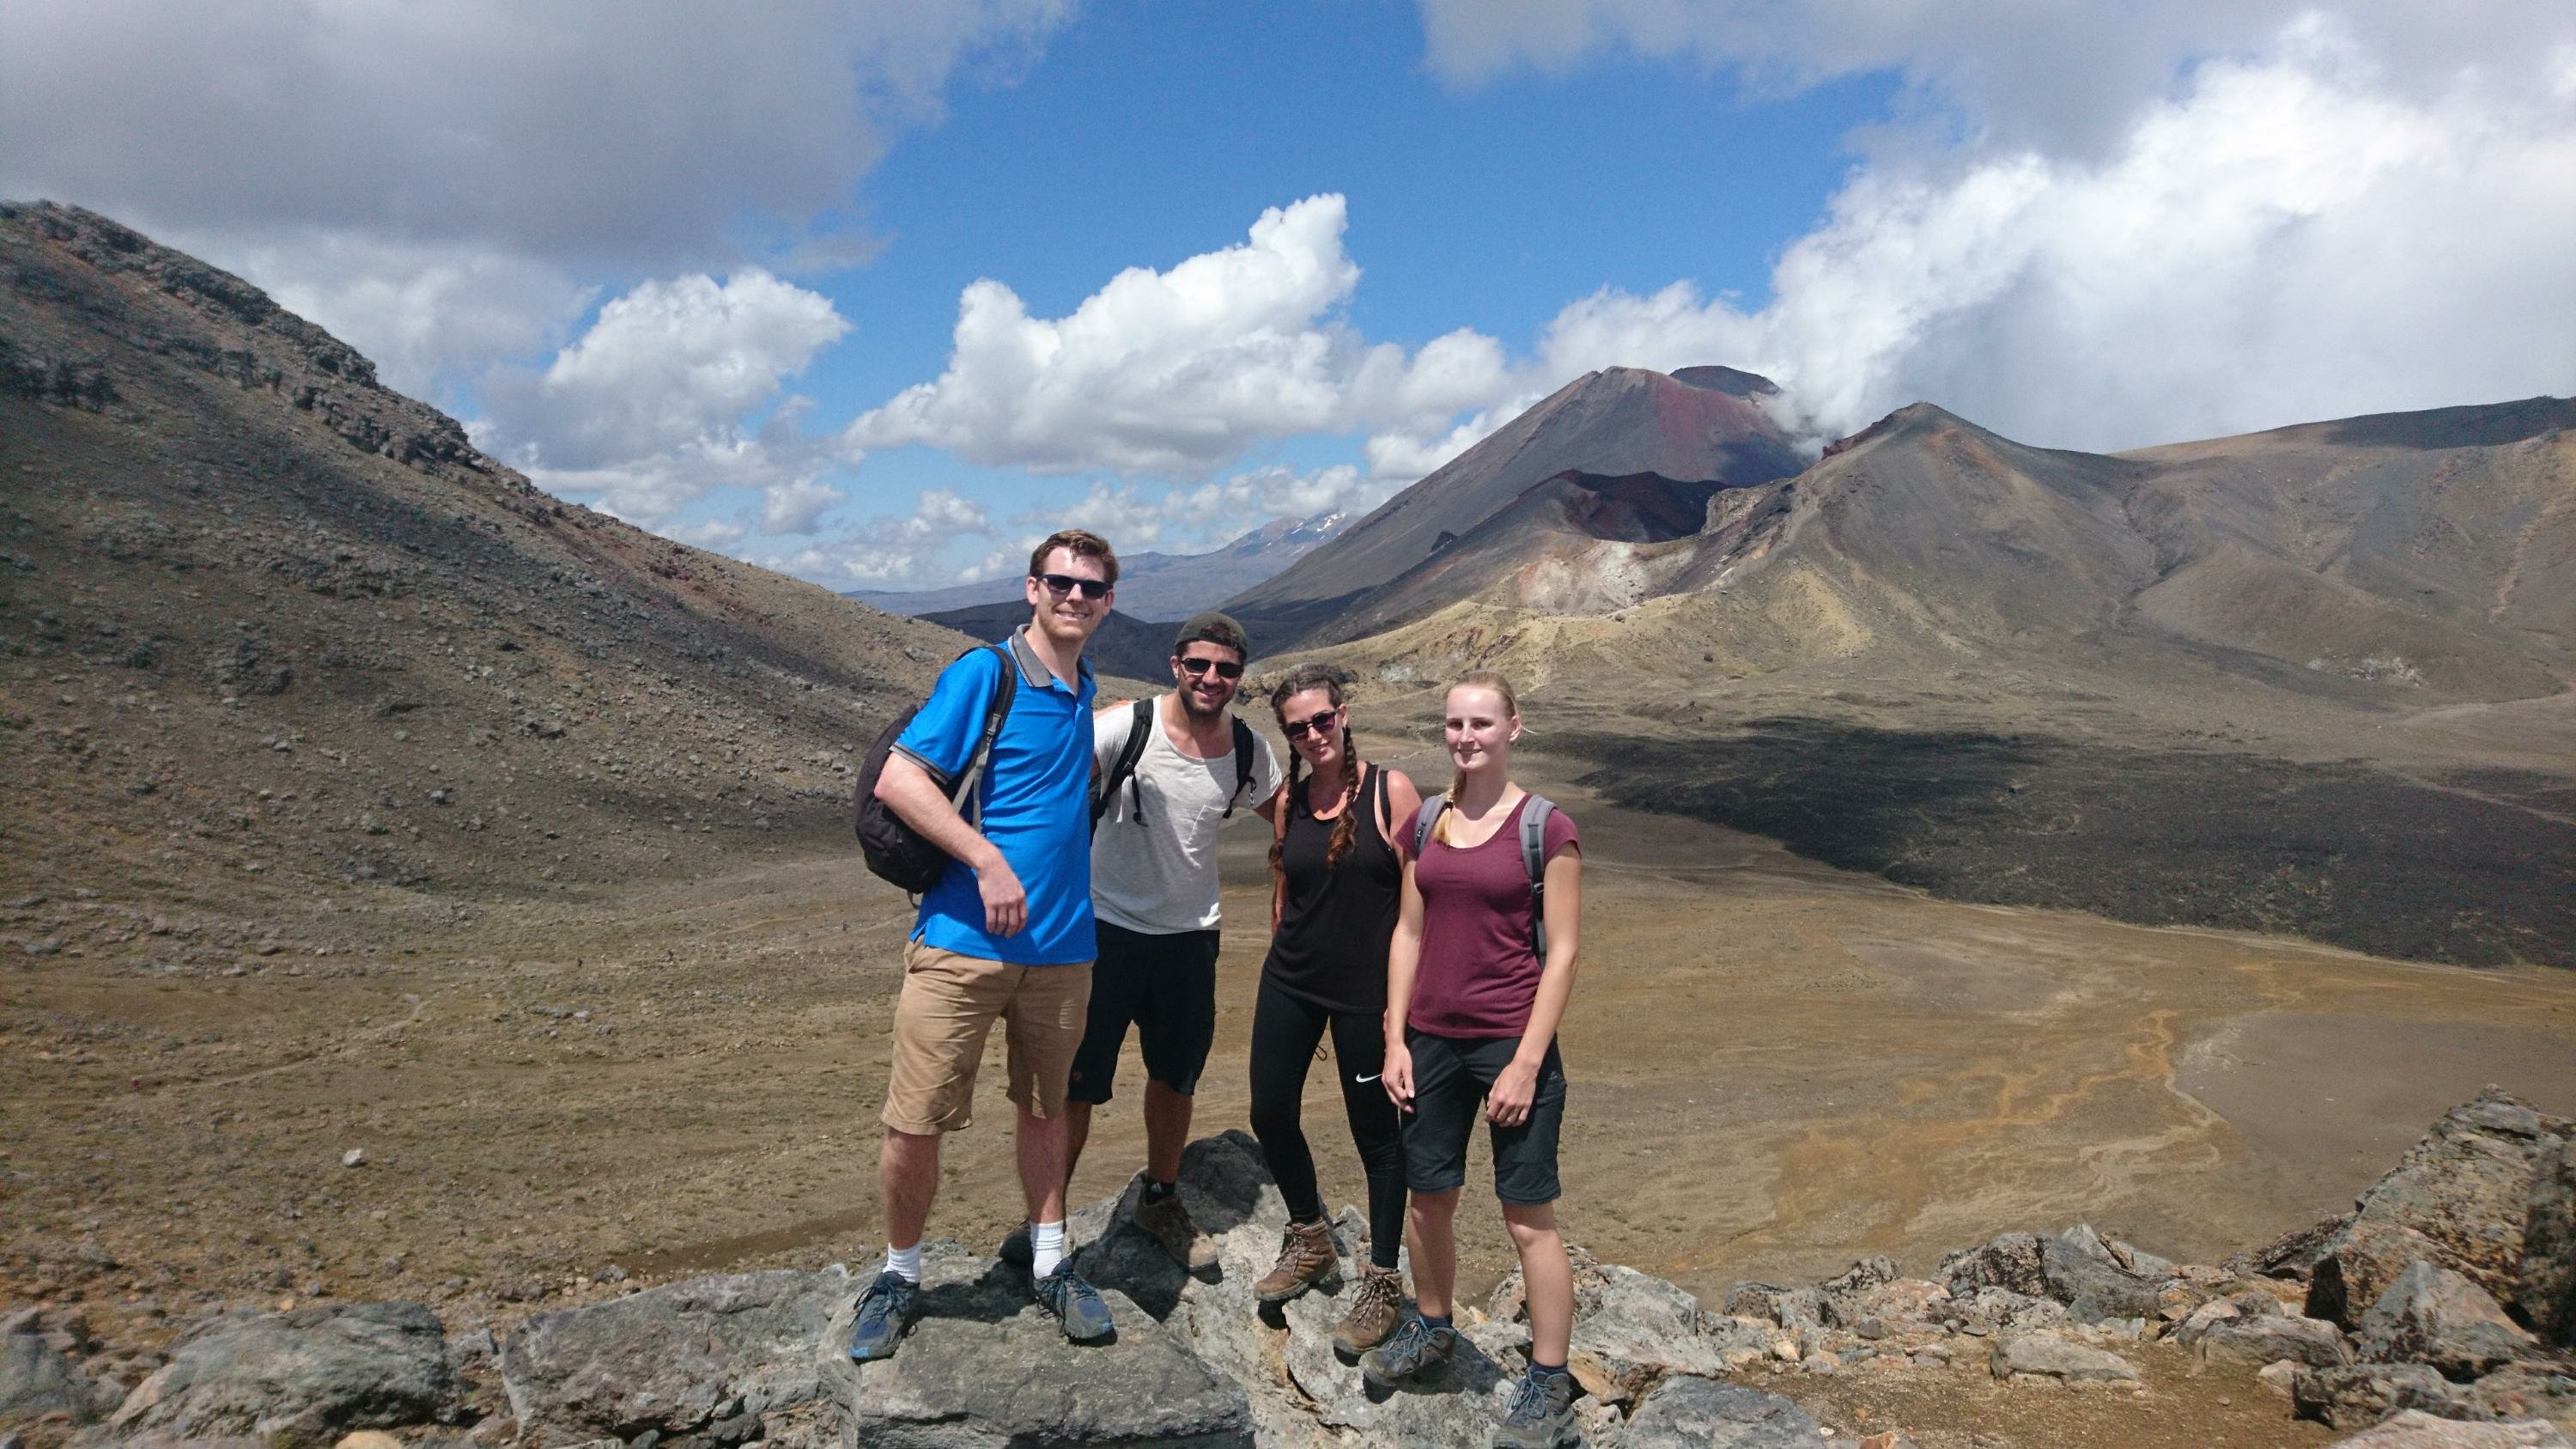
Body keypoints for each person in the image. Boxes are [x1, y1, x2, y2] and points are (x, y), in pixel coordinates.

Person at [847, 530, 1120, 1363]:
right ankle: (899, 1275)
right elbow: (900, 779)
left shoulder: (1083, 686)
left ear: (1108, 602)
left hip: (1063, 948)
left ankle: (1050, 1260)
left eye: (1091, 588)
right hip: (961, 944)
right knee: (916, 1119)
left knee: (1047, 1107)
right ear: (1032, 588)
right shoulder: (984, 674)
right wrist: (986, 859)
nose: (1074, 598)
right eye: (1060, 583)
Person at [1363, 670, 1585, 1449]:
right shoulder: (1427, 822)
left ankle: (1550, 1380)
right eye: (1455, 722)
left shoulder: (1546, 828)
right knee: (1428, 1197)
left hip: (1509, 1041)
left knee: (1528, 1217)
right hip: (1430, 1040)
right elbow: (1409, 933)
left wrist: (1526, 1062)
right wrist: (1395, 1039)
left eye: (1482, 722)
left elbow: (1563, 953)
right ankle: (1432, 1327)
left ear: (1513, 727)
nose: (1466, 736)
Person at [1056, 612, 1283, 1269]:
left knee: (1176, 1077)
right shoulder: (1126, 727)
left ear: (1240, 676)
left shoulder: (1247, 751)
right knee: (1076, 1083)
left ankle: (1160, 1197)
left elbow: (1291, 816)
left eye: (1227, 669)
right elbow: (1048, 779)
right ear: (1175, 664)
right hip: (1102, 931)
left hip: (1189, 940)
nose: (1212, 678)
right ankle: (1046, 1220)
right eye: (1199, 664)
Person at [1246, 665, 1422, 1355]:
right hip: (1291, 981)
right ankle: (1310, 1236)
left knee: (1376, 1137)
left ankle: (1382, 1281)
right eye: (1298, 727)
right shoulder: (1290, 800)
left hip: (1366, 995)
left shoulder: (1390, 791)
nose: (1313, 733)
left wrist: (1399, 1013)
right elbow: (1284, 891)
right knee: (1269, 1111)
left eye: (1323, 719)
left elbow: (1419, 904)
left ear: (1343, 714)